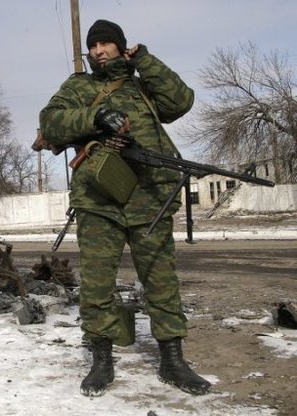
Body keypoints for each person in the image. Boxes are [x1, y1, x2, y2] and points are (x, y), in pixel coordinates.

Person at [38, 19, 211, 397]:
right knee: (98, 284)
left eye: (106, 44)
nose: (99, 51)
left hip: (150, 196)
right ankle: (101, 360)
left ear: (120, 46)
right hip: (99, 200)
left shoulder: (141, 83)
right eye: (93, 45)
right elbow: (49, 122)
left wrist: (146, 61)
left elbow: (181, 101)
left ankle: (172, 359)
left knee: (161, 282)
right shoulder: (79, 86)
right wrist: (94, 117)